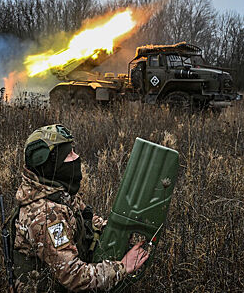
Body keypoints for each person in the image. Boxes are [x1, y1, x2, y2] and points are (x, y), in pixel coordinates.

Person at [8, 124, 148, 292]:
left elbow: (87, 219)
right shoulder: (45, 215)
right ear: (50, 165)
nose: (76, 157)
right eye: (69, 155)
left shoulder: (57, 191)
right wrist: (123, 267)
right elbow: (75, 276)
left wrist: (118, 233)